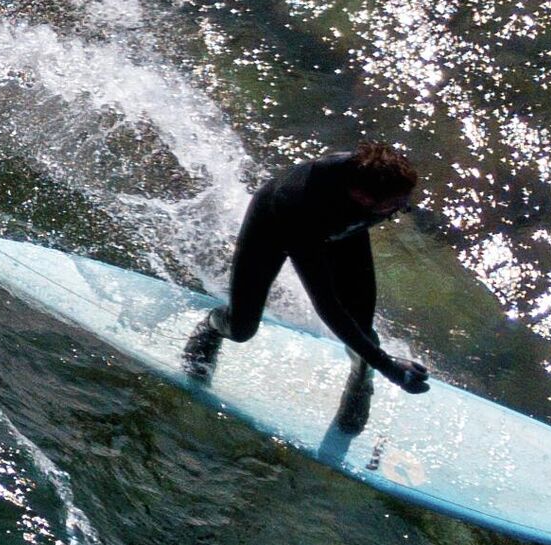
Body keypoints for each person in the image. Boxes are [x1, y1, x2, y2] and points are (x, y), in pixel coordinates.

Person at [184, 142, 430, 432]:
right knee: (241, 328)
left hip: (345, 230)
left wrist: (380, 364)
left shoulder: (379, 177)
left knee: (363, 329)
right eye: (393, 207)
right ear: (361, 196)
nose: (402, 209)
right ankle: (212, 325)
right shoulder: (298, 204)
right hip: (273, 229)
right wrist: (390, 368)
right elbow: (327, 306)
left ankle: (361, 381)